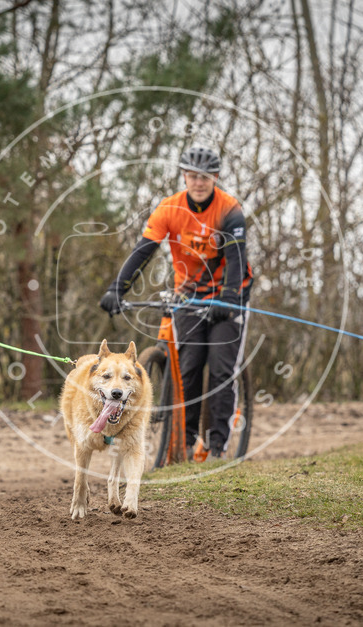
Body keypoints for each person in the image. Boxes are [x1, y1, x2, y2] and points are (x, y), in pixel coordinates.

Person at [99, 146, 253, 460]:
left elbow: (236, 260)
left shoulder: (229, 209)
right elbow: (143, 251)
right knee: (189, 368)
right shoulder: (169, 209)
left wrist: (230, 298)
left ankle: (218, 445)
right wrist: (118, 288)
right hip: (190, 296)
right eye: (193, 176)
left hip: (228, 296)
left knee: (222, 369)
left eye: (205, 177)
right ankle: (185, 440)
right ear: (184, 176)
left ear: (215, 178)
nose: (198, 182)